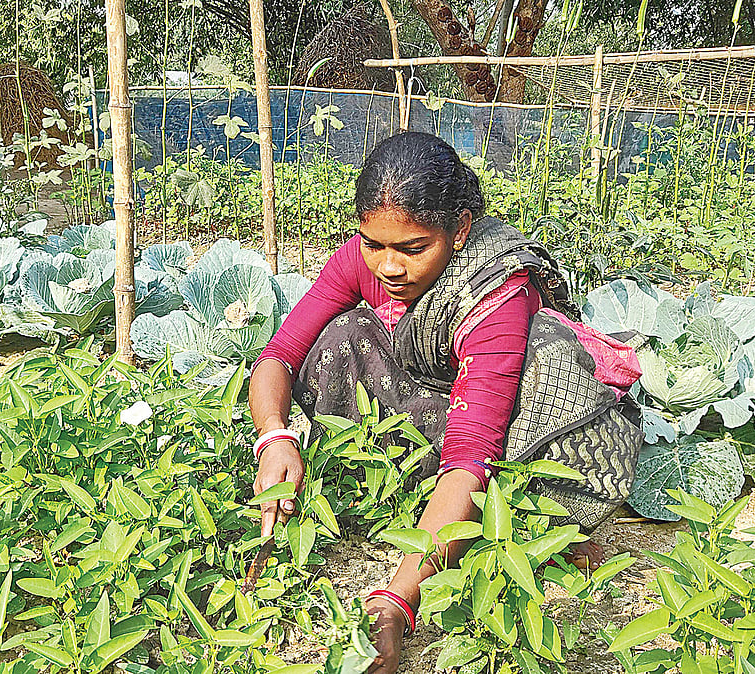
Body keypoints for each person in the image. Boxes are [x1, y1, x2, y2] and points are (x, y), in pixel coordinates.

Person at [249, 132, 644, 673]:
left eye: (413, 249)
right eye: (373, 244)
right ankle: (405, 495)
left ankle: (538, 529)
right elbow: (281, 354)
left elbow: (470, 457)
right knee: (339, 338)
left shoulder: (495, 287)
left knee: (540, 433)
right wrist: (274, 436)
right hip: (437, 396)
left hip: (522, 417)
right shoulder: (366, 257)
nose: (389, 267)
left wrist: (393, 603)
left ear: (458, 229)